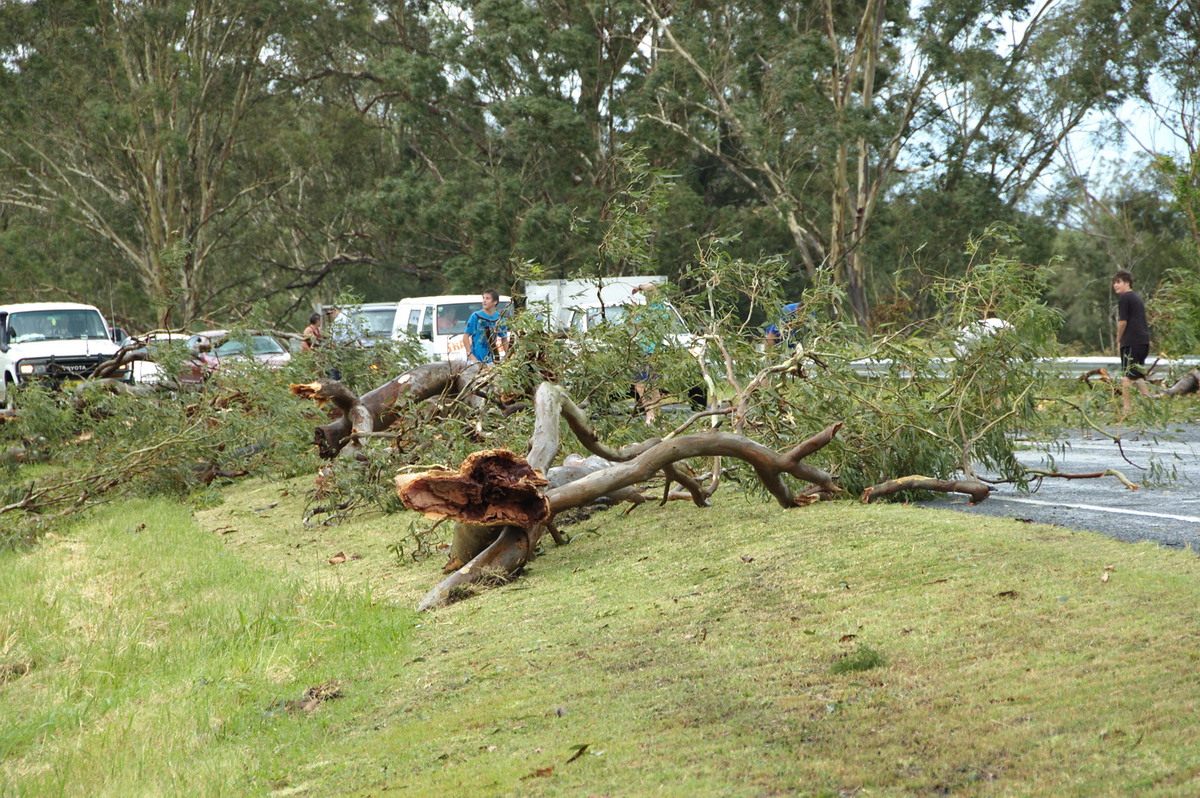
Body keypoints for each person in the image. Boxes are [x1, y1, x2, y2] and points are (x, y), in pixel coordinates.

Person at [1112, 269, 1152, 414]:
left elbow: (1123, 322)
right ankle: (1150, 406)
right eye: (1114, 283)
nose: (1115, 286)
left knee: (1127, 377)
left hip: (1132, 342)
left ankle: (1126, 408)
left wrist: (1118, 339)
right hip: (1143, 342)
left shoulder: (1125, 298)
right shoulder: (1135, 298)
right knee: (1138, 376)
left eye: (1118, 282)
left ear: (1127, 283)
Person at [464, 289, 508, 364]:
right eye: (483, 298)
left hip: (492, 359)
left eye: (487, 298)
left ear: (495, 302)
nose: (484, 301)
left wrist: (508, 355)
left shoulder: (499, 318)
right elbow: (465, 336)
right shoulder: (476, 316)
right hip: (476, 359)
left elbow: (504, 339)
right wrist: (470, 355)